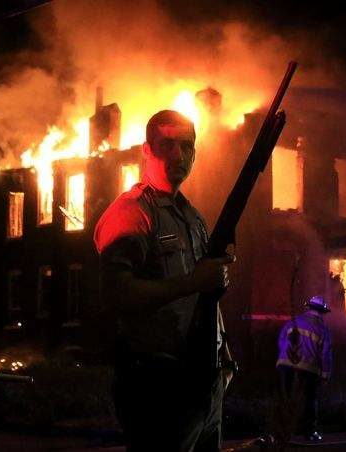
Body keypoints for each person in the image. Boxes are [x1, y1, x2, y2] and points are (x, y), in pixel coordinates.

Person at [94, 110, 236, 451]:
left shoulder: (192, 217)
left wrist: (225, 358)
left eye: (187, 147)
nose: (179, 155)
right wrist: (193, 282)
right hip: (156, 386)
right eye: (167, 145)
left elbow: (204, 298)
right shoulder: (130, 213)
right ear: (146, 150)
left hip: (204, 382)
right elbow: (117, 294)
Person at [276, 295, 332, 441]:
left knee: (286, 398)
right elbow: (325, 355)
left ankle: (282, 432)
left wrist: (286, 358)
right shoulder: (323, 329)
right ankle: (309, 432)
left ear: (309, 308)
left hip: (285, 365)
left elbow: (281, 340)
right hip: (308, 369)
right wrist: (325, 376)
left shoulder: (292, 322)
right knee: (310, 400)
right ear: (321, 312)